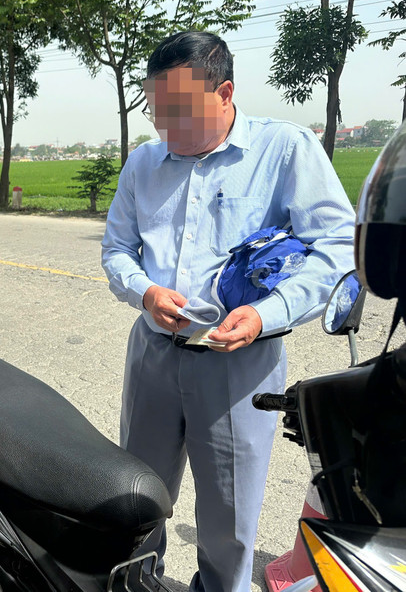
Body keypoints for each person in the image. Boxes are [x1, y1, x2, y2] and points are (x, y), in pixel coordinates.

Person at [101, 31, 355, 592]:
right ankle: (135, 584)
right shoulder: (143, 163)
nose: (165, 126)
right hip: (153, 356)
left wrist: (269, 312)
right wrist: (144, 291)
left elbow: (337, 246)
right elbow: (117, 249)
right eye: (156, 110)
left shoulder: (284, 150)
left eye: (179, 110)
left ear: (224, 93)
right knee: (137, 497)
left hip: (241, 363)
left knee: (228, 521)